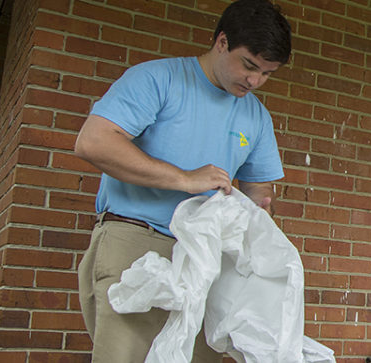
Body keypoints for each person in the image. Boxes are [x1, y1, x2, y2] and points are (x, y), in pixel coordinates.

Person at [73, 0, 290, 361]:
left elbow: (258, 188)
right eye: (249, 65)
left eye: (267, 73)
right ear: (221, 42)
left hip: (206, 257)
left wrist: (258, 210)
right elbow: (93, 141)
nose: (254, 81)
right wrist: (184, 179)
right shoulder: (158, 78)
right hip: (136, 242)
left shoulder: (257, 116)